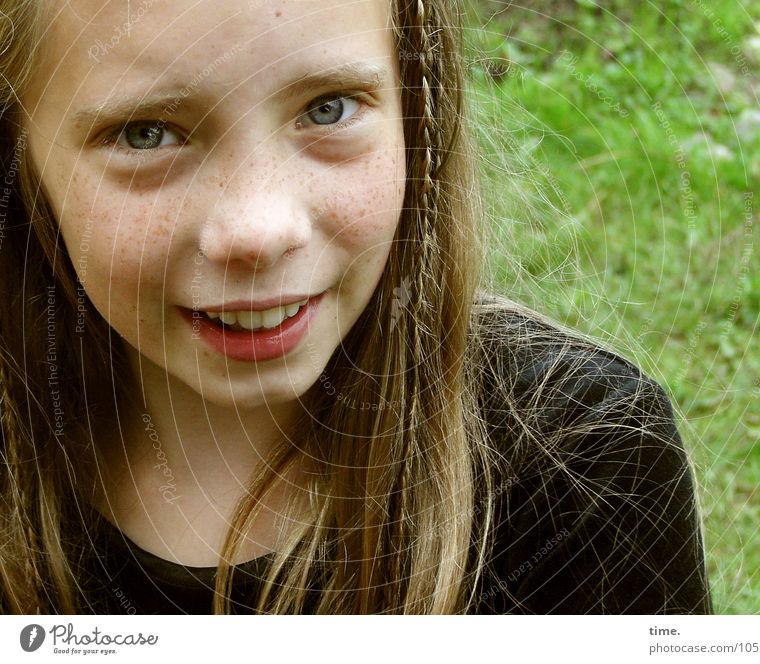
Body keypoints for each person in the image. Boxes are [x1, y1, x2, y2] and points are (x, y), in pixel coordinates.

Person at [0, 0, 712, 614]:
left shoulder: (580, 464)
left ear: (417, 112)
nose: (260, 228)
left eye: (327, 108)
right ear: (20, 158)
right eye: (145, 132)